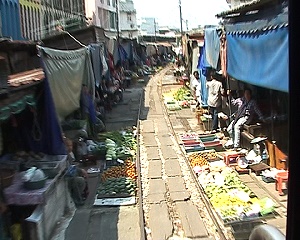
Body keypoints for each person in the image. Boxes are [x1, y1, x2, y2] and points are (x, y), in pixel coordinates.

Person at [64, 137, 89, 206]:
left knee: (82, 176)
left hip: (70, 173)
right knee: (79, 180)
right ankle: (77, 199)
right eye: (67, 146)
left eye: (71, 146)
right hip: (66, 177)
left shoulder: (70, 154)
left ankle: (80, 195)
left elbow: (72, 166)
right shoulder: (63, 156)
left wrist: (81, 170)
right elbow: (67, 169)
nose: (70, 148)